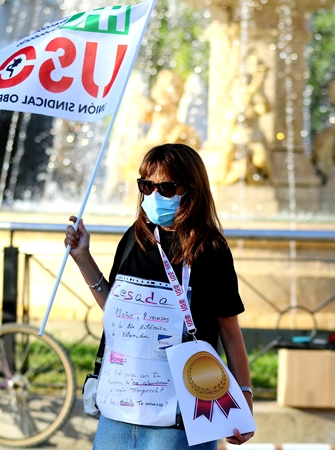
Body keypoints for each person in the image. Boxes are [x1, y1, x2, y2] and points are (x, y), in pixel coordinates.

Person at [64, 143, 254, 449]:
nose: (153, 195)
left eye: (165, 187)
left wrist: (244, 395)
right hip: (119, 411)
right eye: (147, 185)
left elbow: (230, 334)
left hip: (180, 418)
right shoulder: (134, 237)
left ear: (191, 190)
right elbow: (118, 309)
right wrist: (83, 258)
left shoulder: (210, 249)